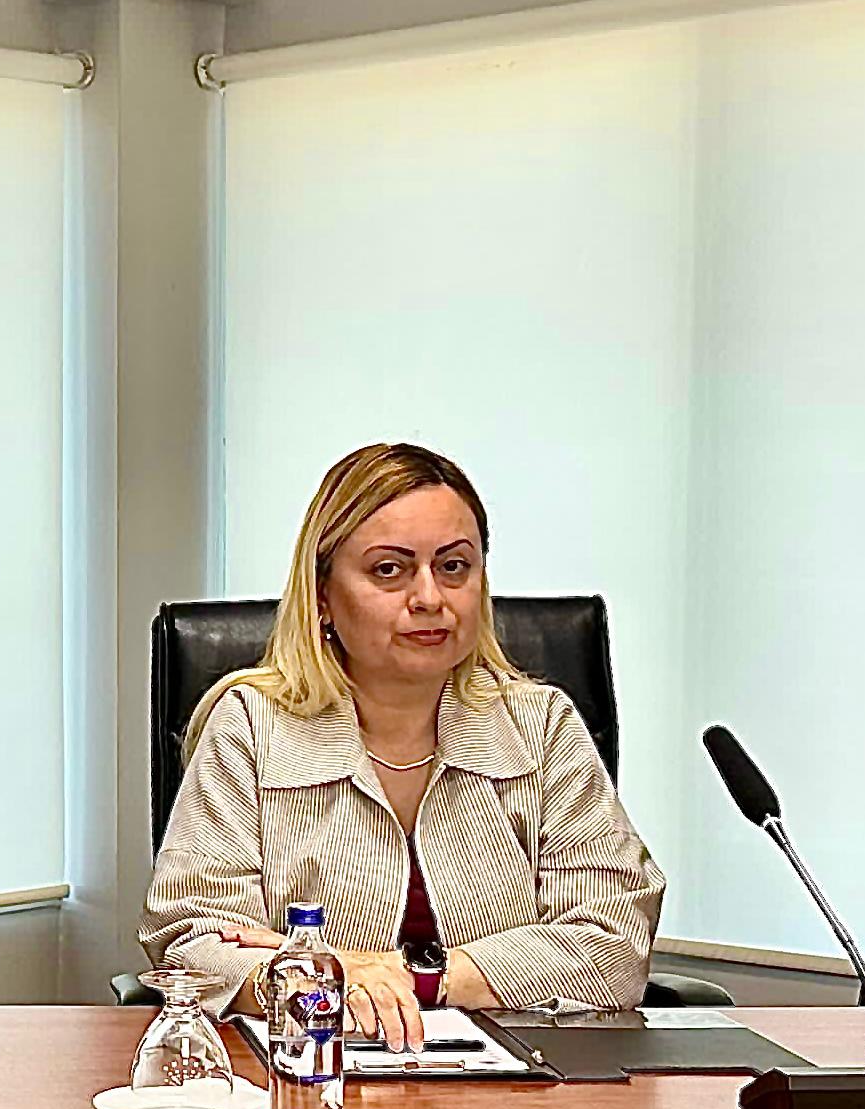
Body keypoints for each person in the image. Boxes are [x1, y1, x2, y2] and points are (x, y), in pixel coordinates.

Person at [138, 440, 662, 1046]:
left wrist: (401, 977)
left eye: (454, 567)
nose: (430, 598)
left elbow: (614, 946)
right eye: (389, 570)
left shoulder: (539, 726)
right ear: (322, 595)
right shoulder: (252, 728)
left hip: (521, 1084)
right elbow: (191, 945)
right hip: (309, 1072)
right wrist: (301, 977)